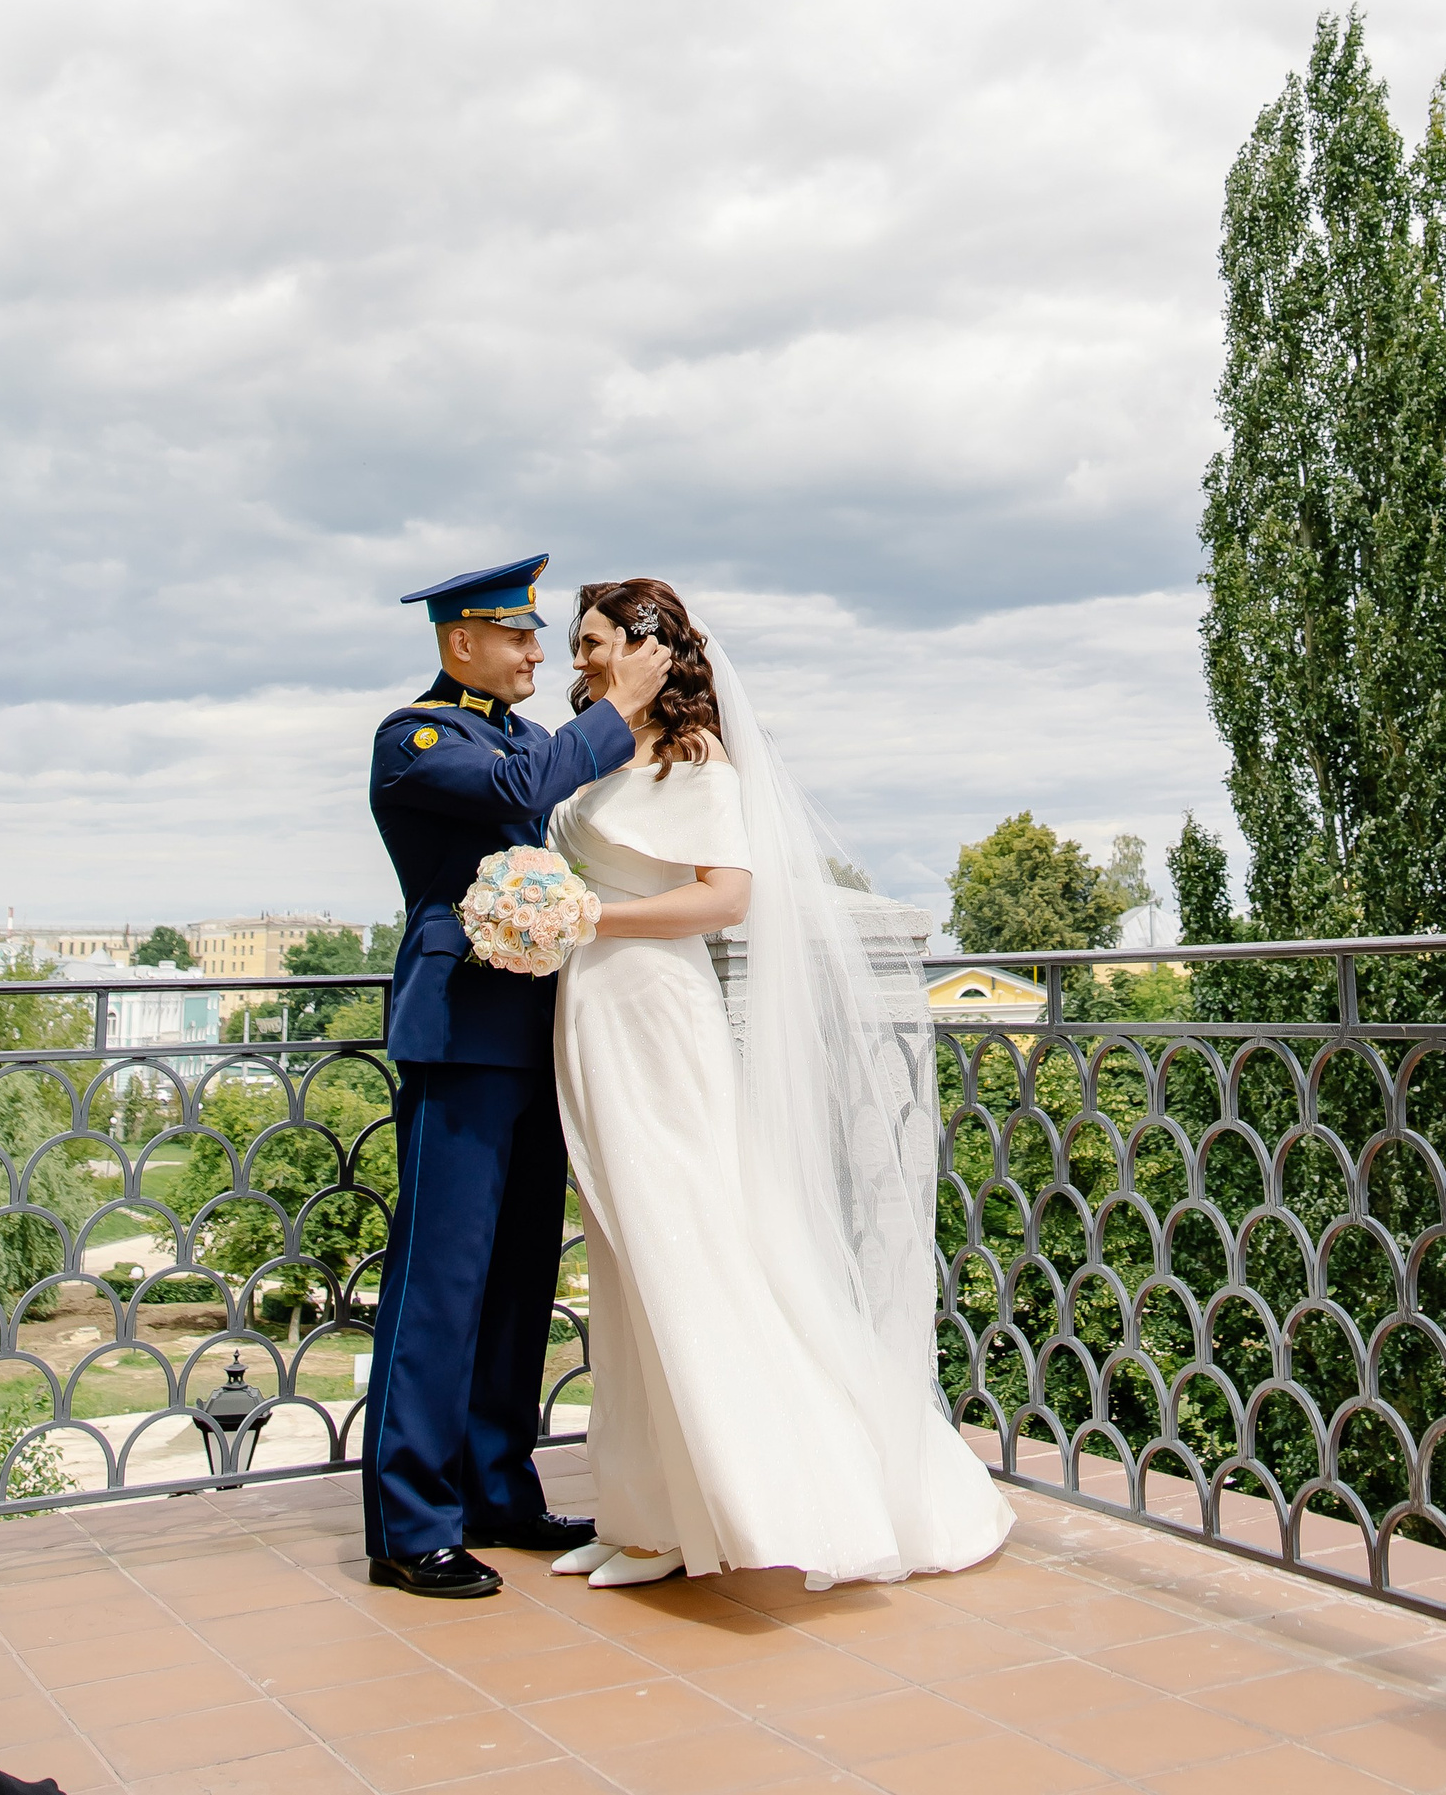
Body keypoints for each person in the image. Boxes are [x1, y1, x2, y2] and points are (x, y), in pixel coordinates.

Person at [544, 578, 1013, 1588]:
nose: (575, 660)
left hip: (654, 1016)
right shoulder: (591, 752)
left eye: (590, 641)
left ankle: (729, 1511)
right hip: (590, 1011)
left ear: (647, 647)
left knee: (683, 1245)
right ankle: (642, 1511)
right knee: (621, 1263)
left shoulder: (694, 759)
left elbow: (725, 898)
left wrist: (590, 919)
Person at [360, 554, 670, 1599]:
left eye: (540, 636)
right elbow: (519, 793)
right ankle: (410, 1525)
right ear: (462, 642)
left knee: (518, 1280)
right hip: (460, 1033)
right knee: (440, 1283)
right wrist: (619, 706)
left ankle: (497, 1488)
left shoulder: (530, 737)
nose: (538, 652)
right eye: (518, 634)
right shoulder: (417, 738)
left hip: (545, 1033)